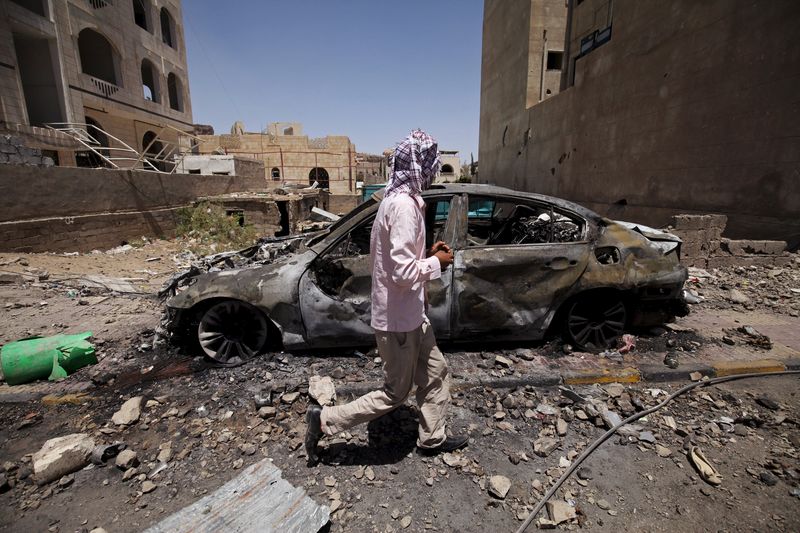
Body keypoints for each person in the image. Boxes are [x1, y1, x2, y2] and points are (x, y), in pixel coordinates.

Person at [305, 130, 468, 463]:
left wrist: (426, 252)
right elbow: (402, 273)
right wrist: (437, 263)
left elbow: (399, 258)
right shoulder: (405, 207)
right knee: (395, 393)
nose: (433, 170)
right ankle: (324, 420)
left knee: (435, 372)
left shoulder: (395, 200)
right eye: (430, 163)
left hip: (410, 315)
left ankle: (432, 438)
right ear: (420, 165)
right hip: (399, 321)